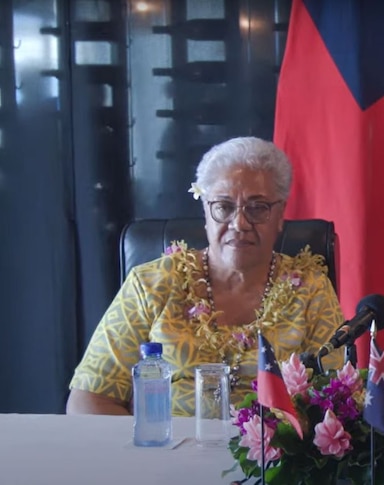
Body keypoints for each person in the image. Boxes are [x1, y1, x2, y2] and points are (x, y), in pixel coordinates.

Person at [67, 136, 345, 416]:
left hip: (273, 456)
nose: (239, 223)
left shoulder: (311, 290)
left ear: (281, 213)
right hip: (165, 453)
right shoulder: (151, 284)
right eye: (224, 206)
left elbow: (338, 399)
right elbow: (89, 400)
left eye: (257, 207)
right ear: (206, 210)